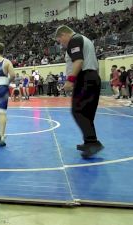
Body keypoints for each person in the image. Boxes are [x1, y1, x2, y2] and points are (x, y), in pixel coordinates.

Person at [55, 25, 103, 158]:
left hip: (85, 78)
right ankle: (90, 142)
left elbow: (78, 61)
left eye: (60, 41)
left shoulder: (74, 40)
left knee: (78, 111)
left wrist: (70, 80)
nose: (62, 44)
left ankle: (92, 143)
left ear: (64, 35)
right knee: (87, 112)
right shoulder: (85, 40)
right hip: (92, 77)